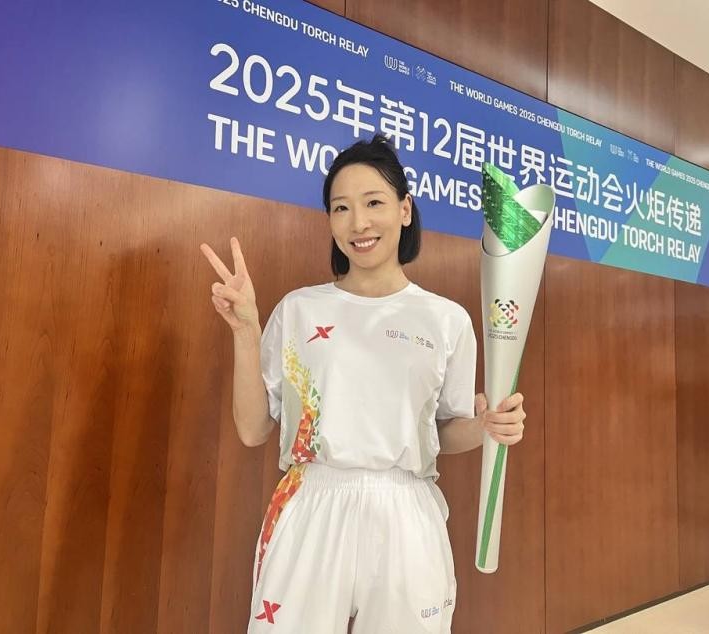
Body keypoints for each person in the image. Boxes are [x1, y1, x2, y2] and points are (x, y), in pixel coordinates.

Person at [201, 135, 526, 633]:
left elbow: (444, 432)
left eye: (374, 203)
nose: (358, 223)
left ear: (404, 209)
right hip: (311, 502)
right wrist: (246, 330)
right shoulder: (299, 310)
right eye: (341, 208)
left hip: (405, 512)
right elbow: (252, 429)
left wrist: (486, 427)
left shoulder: (447, 321)